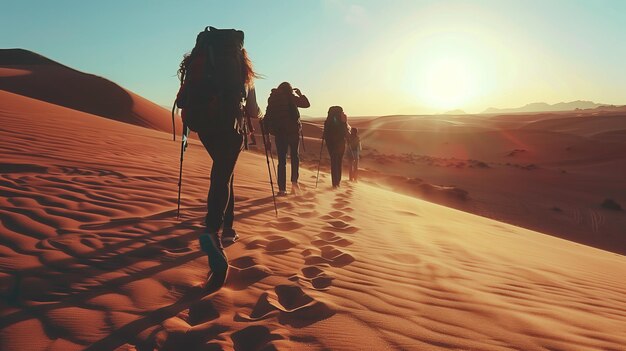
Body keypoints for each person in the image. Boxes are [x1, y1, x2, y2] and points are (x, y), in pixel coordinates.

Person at [177, 27, 260, 288]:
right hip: (227, 123)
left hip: (202, 122)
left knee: (225, 172)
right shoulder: (241, 67)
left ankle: (228, 228)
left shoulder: (198, 60)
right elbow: (254, 112)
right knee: (222, 176)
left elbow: (183, 98)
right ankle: (213, 232)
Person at [265, 82, 310, 196]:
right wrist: (300, 94)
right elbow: (306, 104)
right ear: (289, 89)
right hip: (293, 133)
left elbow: (267, 117)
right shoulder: (291, 97)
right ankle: (294, 184)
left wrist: (267, 138)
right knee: (295, 157)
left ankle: (282, 189)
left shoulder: (273, 99)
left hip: (279, 133)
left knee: (282, 161)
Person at [323, 106, 350, 188]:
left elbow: (325, 134)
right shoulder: (342, 121)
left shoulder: (328, 121)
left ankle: (335, 182)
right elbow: (346, 133)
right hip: (340, 143)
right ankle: (337, 182)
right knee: (338, 162)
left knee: (334, 162)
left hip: (331, 144)